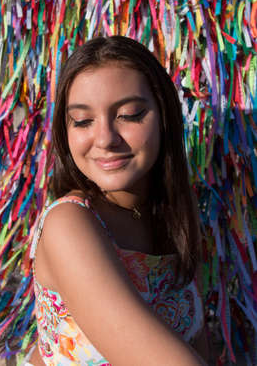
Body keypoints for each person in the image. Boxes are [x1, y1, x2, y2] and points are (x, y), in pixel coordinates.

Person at [28, 36, 209, 365]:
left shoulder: (175, 215)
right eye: (83, 121)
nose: (105, 139)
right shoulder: (70, 225)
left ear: (164, 116)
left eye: (129, 114)